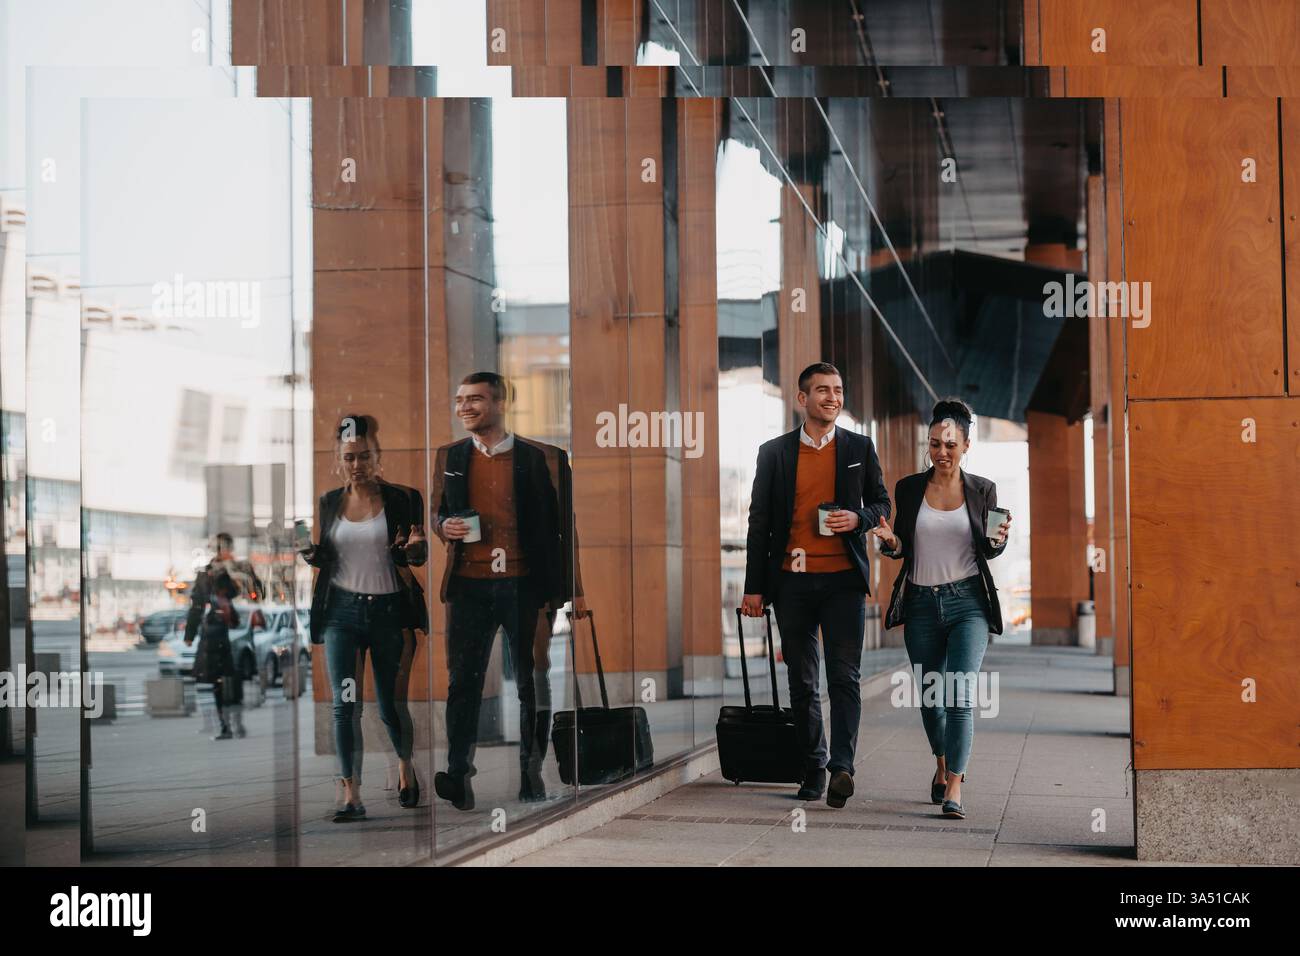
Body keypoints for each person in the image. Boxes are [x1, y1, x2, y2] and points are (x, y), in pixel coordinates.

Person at [741, 362, 891, 808]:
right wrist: (754, 588)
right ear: (801, 399)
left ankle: (841, 767)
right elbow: (759, 523)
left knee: (844, 677)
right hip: (792, 584)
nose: (832, 397)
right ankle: (812, 767)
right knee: (803, 680)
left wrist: (859, 518)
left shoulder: (860, 447)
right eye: (822, 390)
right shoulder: (774, 453)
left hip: (843, 582)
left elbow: (882, 503)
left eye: (839, 390)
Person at [868, 398, 1011, 821]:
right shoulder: (909, 488)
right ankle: (941, 762)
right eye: (934, 444)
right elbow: (903, 547)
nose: (942, 452)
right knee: (933, 698)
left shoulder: (982, 489)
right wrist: (891, 542)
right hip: (921, 603)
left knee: (961, 695)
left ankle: (955, 786)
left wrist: (999, 538)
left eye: (950, 444)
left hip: (968, 603)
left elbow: (988, 548)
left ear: (966, 444)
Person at [432, 372, 566, 811]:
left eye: (475, 399)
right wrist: (443, 527)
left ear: (501, 402)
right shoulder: (449, 456)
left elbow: (564, 530)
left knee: (530, 681)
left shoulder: (540, 457)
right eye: (459, 400)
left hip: (524, 585)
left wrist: (572, 593)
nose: (464, 407)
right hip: (468, 587)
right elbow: (439, 514)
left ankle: (531, 769)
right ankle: (457, 772)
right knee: (461, 683)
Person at [300, 414, 429, 823]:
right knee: (345, 705)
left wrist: (411, 548)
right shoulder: (329, 502)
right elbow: (329, 557)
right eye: (350, 457)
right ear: (341, 461)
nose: (357, 464)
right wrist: (308, 552)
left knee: (391, 705)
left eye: (364, 456)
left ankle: (405, 765)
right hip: (341, 613)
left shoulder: (404, 497)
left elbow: (418, 554)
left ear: (377, 456)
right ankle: (350, 794)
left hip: (390, 610)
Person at [184, 532, 263, 740]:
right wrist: (190, 633)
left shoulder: (239, 568)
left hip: (237, 631)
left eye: (223, 547)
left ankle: (234, 722)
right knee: (216, 680)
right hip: (217, 631)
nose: (220, 552)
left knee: (233, 677)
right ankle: (225, 724)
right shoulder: (208, 572)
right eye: (217, 548)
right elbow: (197, 605)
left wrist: (240, 575)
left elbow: (257, 592)